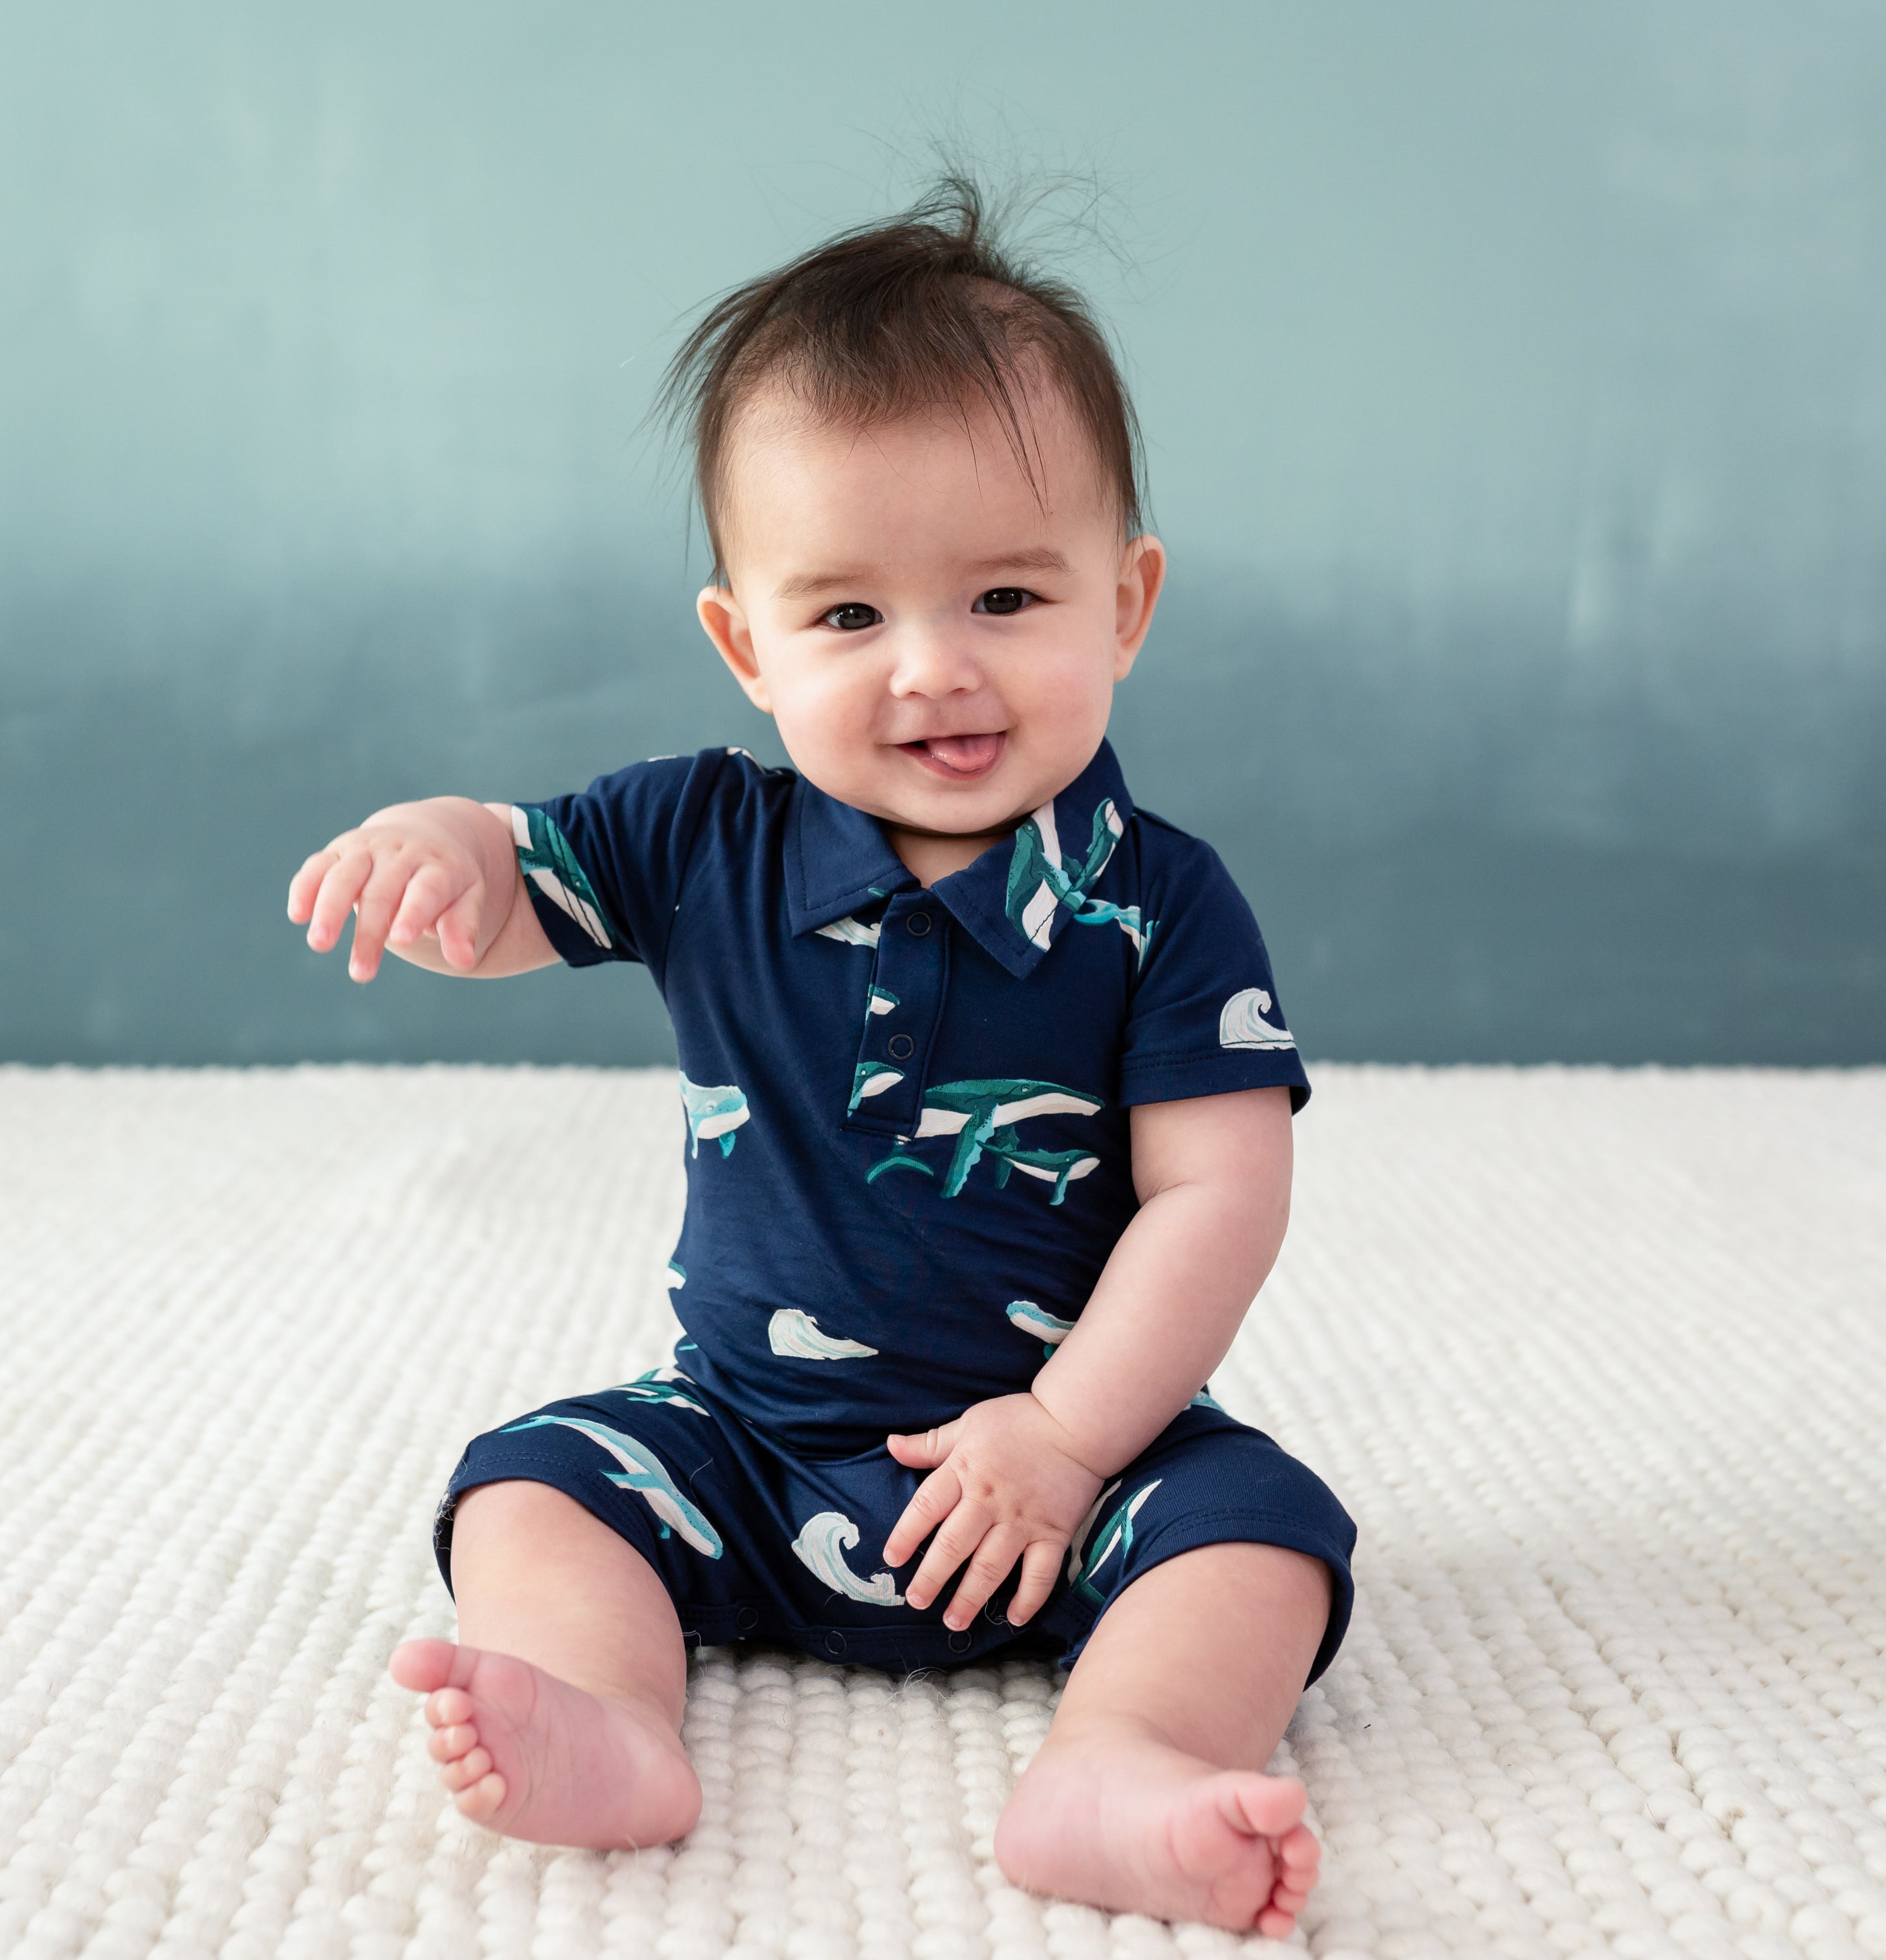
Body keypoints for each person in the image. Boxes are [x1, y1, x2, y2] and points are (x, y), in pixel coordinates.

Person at [286, 178, 1355, 1938]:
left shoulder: (1160, 906)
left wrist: (1073, 1440)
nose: (933, 669)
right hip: (745, 1449)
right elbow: (508, 890)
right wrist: (437, 851)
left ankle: (1122, 1757)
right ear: (746, 646)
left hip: (1065, 1479)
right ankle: (612, 1717)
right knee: (530, 1485)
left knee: (1265, 1534)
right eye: (848, 617)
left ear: (1128, 600)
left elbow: (1221, 1195)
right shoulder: (698, 838)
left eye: (1008, 594)